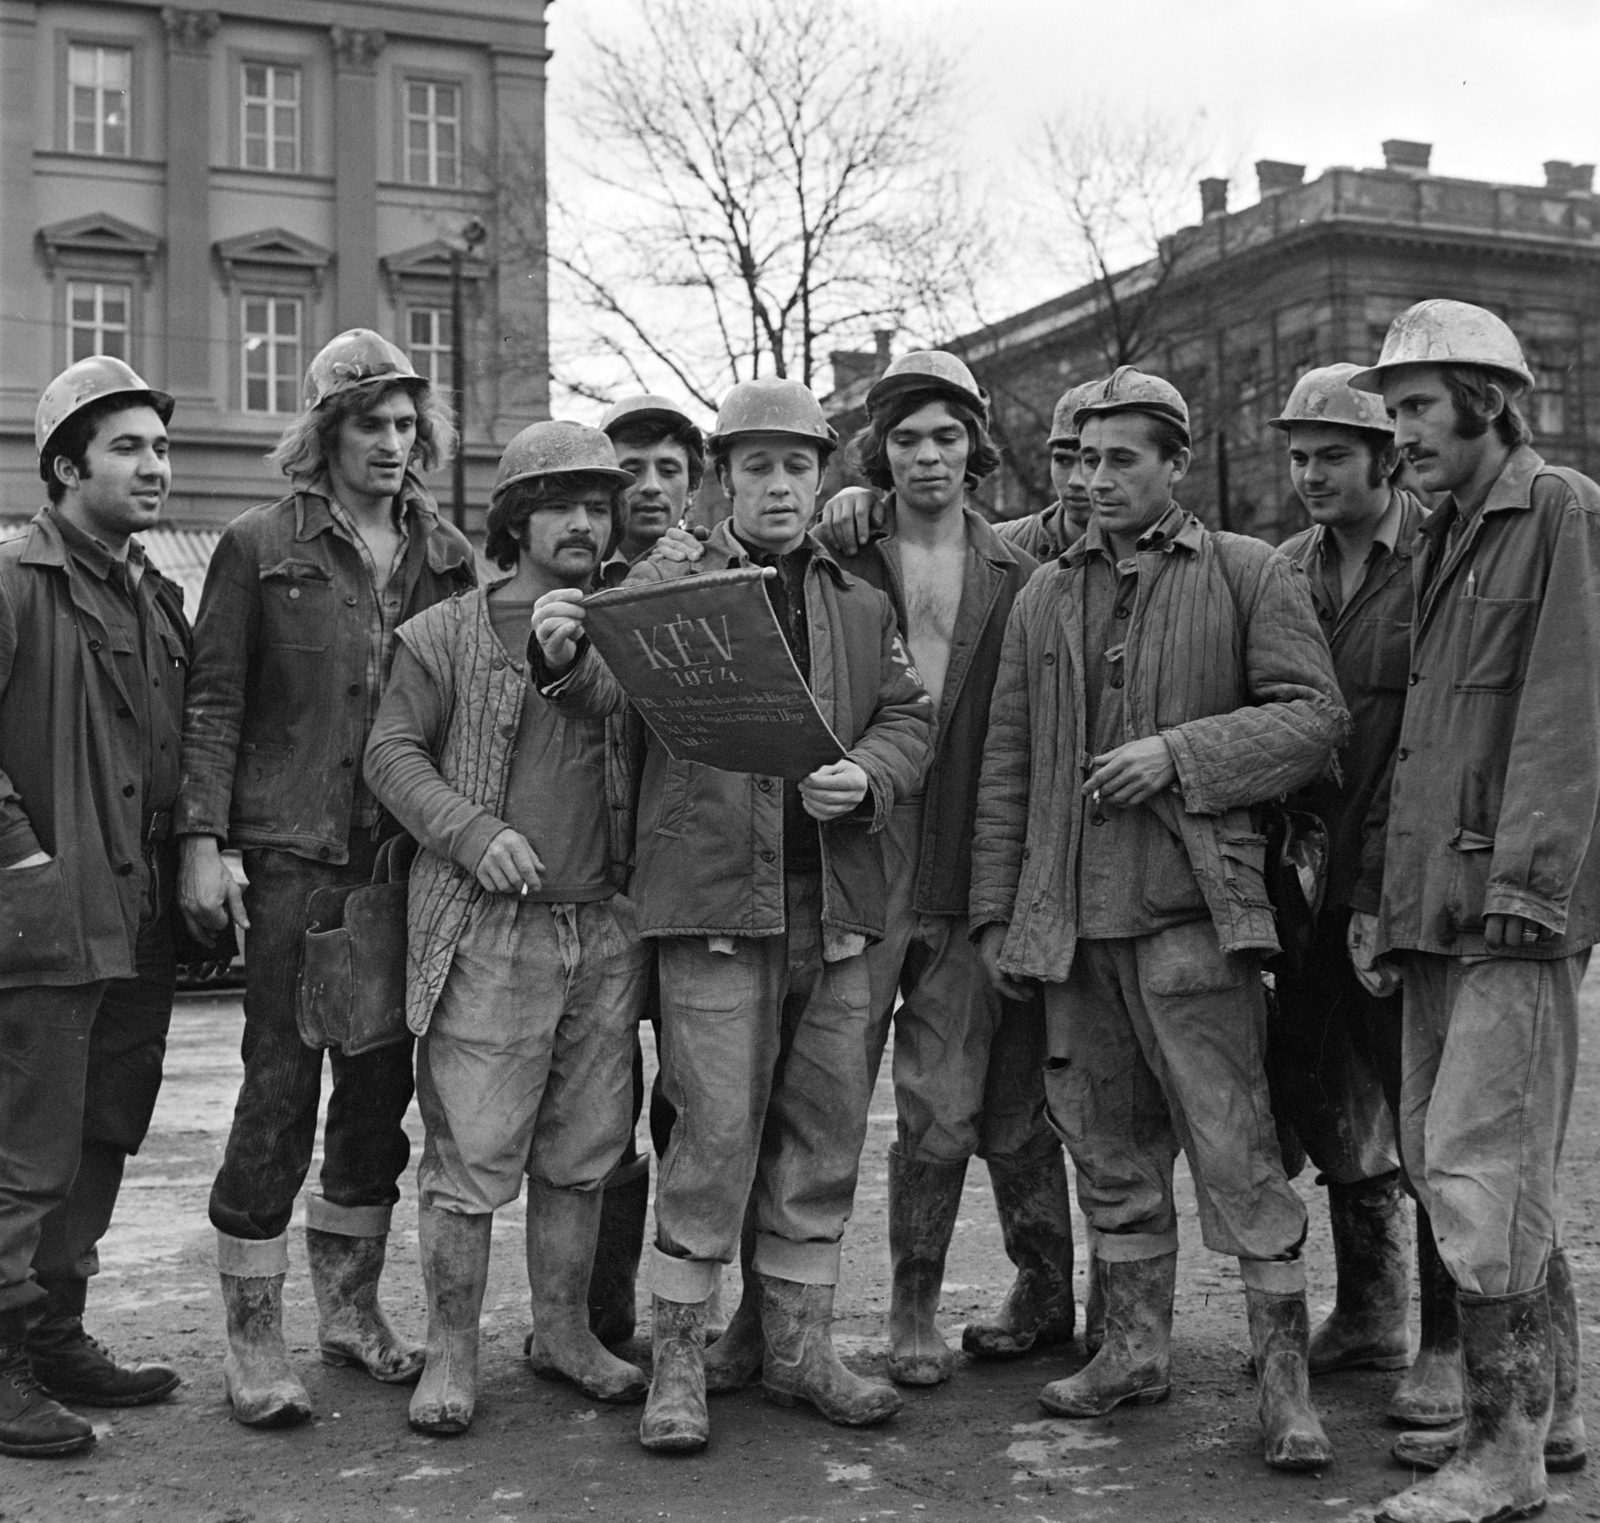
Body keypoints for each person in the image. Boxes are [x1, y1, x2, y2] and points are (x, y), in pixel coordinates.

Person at [530, 376, 931, 1454]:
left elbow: (906, 716)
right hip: (711, 904)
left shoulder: (857, 594)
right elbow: (603, 703)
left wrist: (872, 776)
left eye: (797, 464)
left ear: (825, 475)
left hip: (839, 903)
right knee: (709, 1134)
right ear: (723, 478)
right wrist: (564, 657)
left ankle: (796, 1347)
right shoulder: (668, 587)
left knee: (824, 1132)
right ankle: (680, 1360)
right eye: (755, 465)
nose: (778, 484)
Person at [970, 366, 1348, 1471]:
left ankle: (1282, 1385)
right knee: (1107, 1149)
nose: (1095, 480)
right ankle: (1133, 1350)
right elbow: (1004, 763)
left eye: (1121, 459)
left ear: (1175, 464)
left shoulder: (1244, 572)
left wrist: (1179, 754)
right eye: (1082, 460)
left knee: (1236, 1153)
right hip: (1070, 932)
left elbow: (1313, 721)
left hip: (1193, 921)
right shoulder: (1043, 592)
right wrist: (1001, 913)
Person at [176, 330, 476, 1428]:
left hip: (405, 864)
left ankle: (347, 1310)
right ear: (325, 432)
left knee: (378, 1097)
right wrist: (203, 841)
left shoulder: (448, 555)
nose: (392, 443)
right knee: (278, 1091)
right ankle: (253, 1338)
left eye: (405, 424)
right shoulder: (259, 546)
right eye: (369, 424)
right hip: (297, 858)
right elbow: (212, 702)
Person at [1349, 301, 1600, 1523]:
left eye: (1412, 410)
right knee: (1478, 1165)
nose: (1396, 438)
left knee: (1475, 1164)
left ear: (1486, 402)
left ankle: (1500, 1453)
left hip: (1507, 908)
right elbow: (1421, 744)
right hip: (1437, 907)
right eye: (1390, 415)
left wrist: (1529, 882)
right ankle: (1546, 1417)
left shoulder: (1560, 509)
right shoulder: (1446, 534)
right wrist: (1386, 906)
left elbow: (1569, 706)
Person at [365, 421, 651, 1434]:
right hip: (488, 931)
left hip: (604, 930)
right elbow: (391, 756)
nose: (583, 521)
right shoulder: (442, 633)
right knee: (471, 1154)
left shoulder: (632, 622)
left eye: (598, 504)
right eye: (560, 503)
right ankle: (450, 1352)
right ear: (515, 518)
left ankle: (565, 1331)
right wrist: (473, 831)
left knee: (584, 1149)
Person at [803, 351, 1075, 1388]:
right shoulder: (841, 553)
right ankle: (785, 1317)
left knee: (944, 1100)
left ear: (975, 448)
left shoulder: (1014, 565)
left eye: (946, 436)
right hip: (859, 855)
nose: (927, 455)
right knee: (822, 1091)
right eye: (907, 438)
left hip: (964, 856)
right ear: (880, 452)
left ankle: (914, 1304)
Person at [0, 358, 188, 1457]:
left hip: (138, 914)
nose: (155, 465)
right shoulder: (14, 579)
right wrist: (23, 863)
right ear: (67, 465)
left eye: (160, 447)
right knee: (23, 1153)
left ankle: (56, 1331)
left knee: (101, 1135)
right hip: (44, 921)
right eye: (127, 447)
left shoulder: (150, 590)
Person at [1266, 365, 1458, 1426]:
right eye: (1297, 456)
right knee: (1318, 1087)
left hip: (1399, 879)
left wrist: (1389, 885)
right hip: (1302, 881)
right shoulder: (1283, 570)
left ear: (1385, 456)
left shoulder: (1438, 557)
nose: (1308, 475)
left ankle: (1444, 1340)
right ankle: (1373, 1306)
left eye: (1330, 454)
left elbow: (1432, 737)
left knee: (1422, 1110)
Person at [586, 393, 707, 1348]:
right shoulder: (573, 583)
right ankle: (596, 1312)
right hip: (595, 886)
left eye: (670, 469)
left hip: (695, 877)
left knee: (698, 1101)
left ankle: (689, 1306)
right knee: (599, 1100)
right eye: (632, 470)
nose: (650, 488)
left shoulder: (719, 578)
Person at [993, 379, 1100, 558]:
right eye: (1063, 460)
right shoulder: (999, 547)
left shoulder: (1153, 553)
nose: (1075, 480)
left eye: (1091, 462)